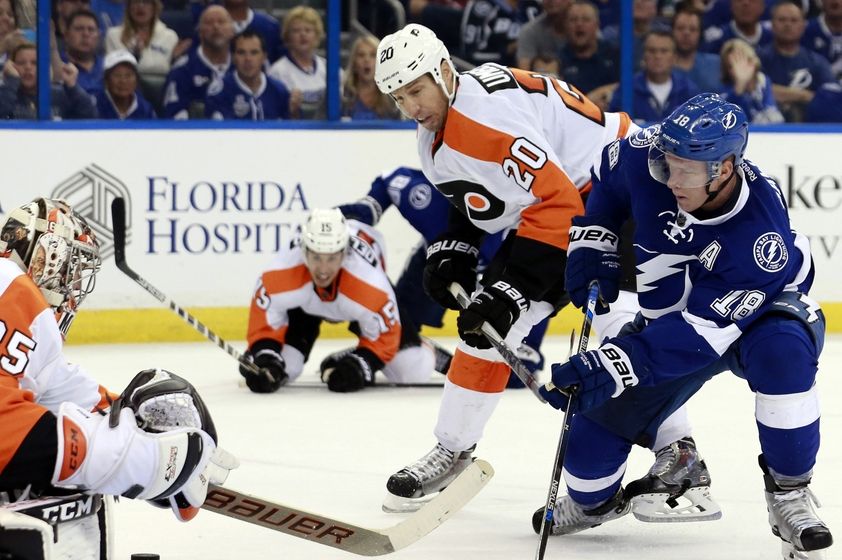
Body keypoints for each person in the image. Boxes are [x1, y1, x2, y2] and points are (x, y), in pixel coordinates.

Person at [373, 24, 714, 517]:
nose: (412, 106)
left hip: (621, 185)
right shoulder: (439, 128)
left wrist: (513, 288)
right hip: (567, 198)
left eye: (417, 89)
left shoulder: (485, 120)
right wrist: (456, 246)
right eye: (399, 97)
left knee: (619, 320)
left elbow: (559, 203)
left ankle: (680, 456)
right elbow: (483, 191)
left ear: (445, 72)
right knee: (486, 332)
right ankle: (454, 449)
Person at [537, 94, 834, 559]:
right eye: (667, 164)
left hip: (753, 318)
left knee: (783, 352)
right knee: (586, 473)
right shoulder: (644, 154)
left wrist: (615, 362)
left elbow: (699, 337)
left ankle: (789, 492)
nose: (671, 180)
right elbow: (607, 188)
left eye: (688, 170)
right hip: (671, 323)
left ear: (727, 167)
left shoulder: (761, 237)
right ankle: (597, 502)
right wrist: (596, 239)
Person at [0, 198, 236, 558]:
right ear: (45, 257)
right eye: (71, 268)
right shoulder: (9, 286)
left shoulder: (25, 326)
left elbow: (68, 394)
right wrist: (135, 459)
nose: (74, 286)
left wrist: (153, 426)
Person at [337, 167, 548, 387]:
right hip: (437, 263)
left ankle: (414, 344)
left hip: (499, 272)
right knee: (398, 326)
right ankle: (396, 342)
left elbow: (537, 283)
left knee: (509, 375)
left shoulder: (520, 222)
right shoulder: (427, 200)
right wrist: (363, 210)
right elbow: (390, 181)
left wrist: (527, 348)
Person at [239, 208, 441, 394]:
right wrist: (265, 356)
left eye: (331, 258)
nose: (323, 269)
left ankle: (419, 346)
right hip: (304, 306)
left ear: (344, 254)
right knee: (286, 369)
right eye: (316, 257)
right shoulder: (280, 275)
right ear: (304, 252)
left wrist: (361, 363)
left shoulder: (369, 285)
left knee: (412, 372)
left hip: (355, 303)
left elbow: (384, 338)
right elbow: (265, 324)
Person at [758, 1, 834, 122]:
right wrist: (804, 95)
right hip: (767, 127)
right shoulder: (758, 59)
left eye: (794, 20)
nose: (788, 24)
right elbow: (755, 90)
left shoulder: (817, 62)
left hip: (811, 128)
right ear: (771, 24)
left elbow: (831, 99)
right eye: (782, 20)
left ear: (803, 25)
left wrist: (779, 93)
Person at [608, 30, 700, 124]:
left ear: (674, 57)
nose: (657, 56)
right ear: (644, 55)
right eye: (652, 51)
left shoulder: (689, 91)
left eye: (664, 51)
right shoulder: (626, 90)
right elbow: (615, 127)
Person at [161, 4, 233, 119]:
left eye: (221, 22)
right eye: (209, 22)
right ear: (200, 32)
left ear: (232, 30)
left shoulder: (242, 66)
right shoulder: (182, 70)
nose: (216, 27)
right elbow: (174, 117)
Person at [204, 30, 290, 120]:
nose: (248, 59)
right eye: (241, 52)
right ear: (233, 57)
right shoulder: (219, 92)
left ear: (264, 57)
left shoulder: (279, 91)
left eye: (254, 53)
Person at [0, 41, 97, 119]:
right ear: (11, 67)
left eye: (35, 63)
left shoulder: (60, 94)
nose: (28, 67)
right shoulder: (5, 93)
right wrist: (12, 80)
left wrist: (72, 86)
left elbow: (90, 116)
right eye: (21, 63)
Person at [267, 6, 327, 119]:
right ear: (287, 36)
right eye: (296, 31)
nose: (302, 35)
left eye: (308, 30)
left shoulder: (328, 68)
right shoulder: (277, 72)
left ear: (317, 35)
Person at [719, 37, 784, 123]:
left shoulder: (762, 81)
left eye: (740, 62)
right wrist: (740, 85)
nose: (737, 69)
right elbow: (725, 119)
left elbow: (774, 116)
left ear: (751, 61)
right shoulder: (726, 91)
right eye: (731, 66)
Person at [341, 35, 401, 120]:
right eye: (361, 55)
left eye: (373, 55)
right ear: (354, 62)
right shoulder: (341, 95)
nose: (367, 60)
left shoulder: (393, 98)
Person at [672, 2, 724, 93]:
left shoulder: (716, 64)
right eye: (680, 28)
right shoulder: (661, 67)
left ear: (700, 34)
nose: (686, 34)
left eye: (692, 29)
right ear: (672, 31)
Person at [95, 48, 157, 118]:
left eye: (129, 75)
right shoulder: (94, 106)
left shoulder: (145, 109)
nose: (123, 81)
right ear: (106, 80)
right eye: (117, 75)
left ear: (136, 80)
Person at [61, 8, 105, 97]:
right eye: (79, 29)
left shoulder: (108, 66)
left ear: (98, 37)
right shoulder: (57, 66)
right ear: (66, 35)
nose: (86, 34)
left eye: (91, 30)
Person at [515, 0, 571, 70]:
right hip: (545, 78)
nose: (551, 1)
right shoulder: (530, 30)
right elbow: (524, 71)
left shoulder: (583, 25)